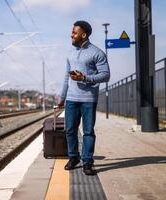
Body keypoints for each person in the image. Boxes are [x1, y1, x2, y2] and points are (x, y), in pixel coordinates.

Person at [58, 20, 110, 175]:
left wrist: (85, 78)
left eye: (74, 32)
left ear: (83, 34)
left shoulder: (97, 53)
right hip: (71, 99)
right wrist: (61, 97)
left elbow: (106, 75)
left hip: (88, 99)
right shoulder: (70, 53)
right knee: (70, 130)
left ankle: (87, 162)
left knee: (88, 132)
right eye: (72, 32)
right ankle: (74, 157)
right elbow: (66, 78)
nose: (71, 34)